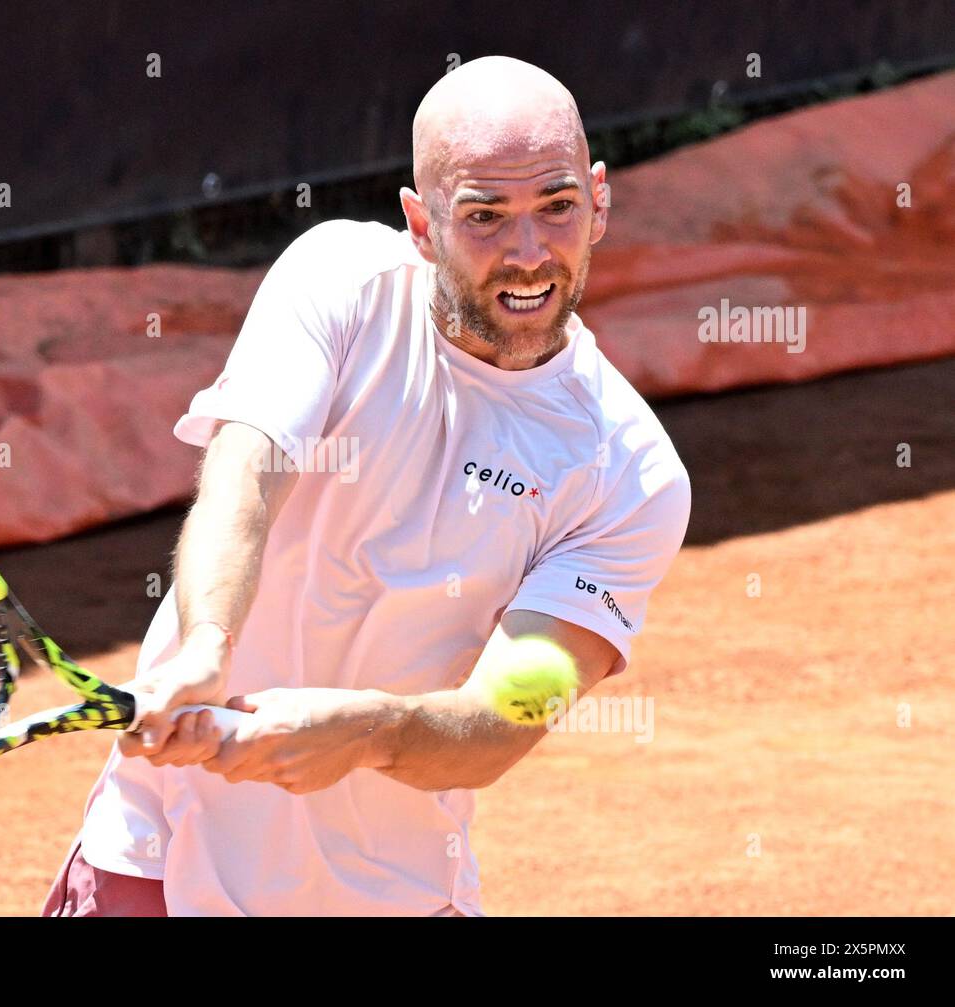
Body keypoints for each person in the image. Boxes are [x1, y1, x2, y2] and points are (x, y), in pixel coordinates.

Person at [43, 55, 690, 917]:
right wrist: (206, 646)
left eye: (558, 207)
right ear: (422, 225)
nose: (529, 252)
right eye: (485, 216)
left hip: (399, 894)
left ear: (599, 201)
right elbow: (245, 476)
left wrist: (365, 732)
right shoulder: (339, 282)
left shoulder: (632, 475)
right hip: (158, 866)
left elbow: (505, 717)